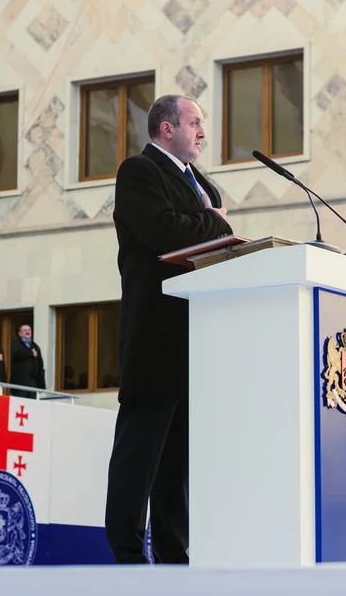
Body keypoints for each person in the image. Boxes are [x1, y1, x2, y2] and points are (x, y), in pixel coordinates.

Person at [105, 94, 232, 565]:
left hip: (195, 339)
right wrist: (212, 223)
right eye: (194, 122)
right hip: (155, 336)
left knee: (177, 463)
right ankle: (126, 555)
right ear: (166, 129)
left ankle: (175, 560)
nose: (202, 131)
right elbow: (161, 230)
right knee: (139, 457)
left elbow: (207, 236)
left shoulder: (204, 186)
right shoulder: (139, 171)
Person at [10, 325, 46, 398]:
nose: (27, 332)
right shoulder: (15, 343)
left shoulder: (35, 346)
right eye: (25, 330)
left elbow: (40, 365)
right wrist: (31, 353)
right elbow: (16, 354)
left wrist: (42, 384)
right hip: (20, 383)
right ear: (20, 333)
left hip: (33, 383)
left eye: (29, 330)